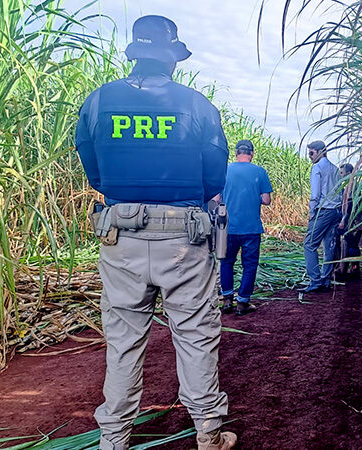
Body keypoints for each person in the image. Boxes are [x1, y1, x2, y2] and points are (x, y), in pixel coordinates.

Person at [75, 15, 236, 450]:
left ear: (135, 55)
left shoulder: (99, 100)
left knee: (123, 340)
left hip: (119, 237)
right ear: (172, 58)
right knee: (196, 334)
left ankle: (114, 437)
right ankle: (208, 431)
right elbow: (214, 176)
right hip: (183, 236)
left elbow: (93, 169)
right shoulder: (197, 104)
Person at [218, 139, 273, 316]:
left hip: (228, 227)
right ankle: (243, 302)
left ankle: (227, 299)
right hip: (251, 228)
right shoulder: (260, 171)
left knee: (226, 263)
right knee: (249, 265)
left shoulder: (224, 171)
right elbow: (266, 200)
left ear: (235, 153)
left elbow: (216, 199)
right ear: (252, 153)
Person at [300, 140, 342, 293]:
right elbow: (340, 192)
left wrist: (312, 212)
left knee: (309, 245)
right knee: (329, 245)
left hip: (323, 211)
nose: (309, 156)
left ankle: (315, 280)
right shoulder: (335, 169)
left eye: (311, 153)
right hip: (335, 211)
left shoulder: (317, 168)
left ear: (320, 151)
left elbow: (315, 194)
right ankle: (325, 279)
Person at [335, 163, 362, 280]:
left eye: (342, 172)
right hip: (357, 221)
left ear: (348, 173)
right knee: (351, 244)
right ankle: (351, 269)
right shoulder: (352, 185)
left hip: (354, 222)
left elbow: (350, 205)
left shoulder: (351, 186)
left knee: (351, 244)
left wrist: (343, 220)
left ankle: (353, 270)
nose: (340, 175)